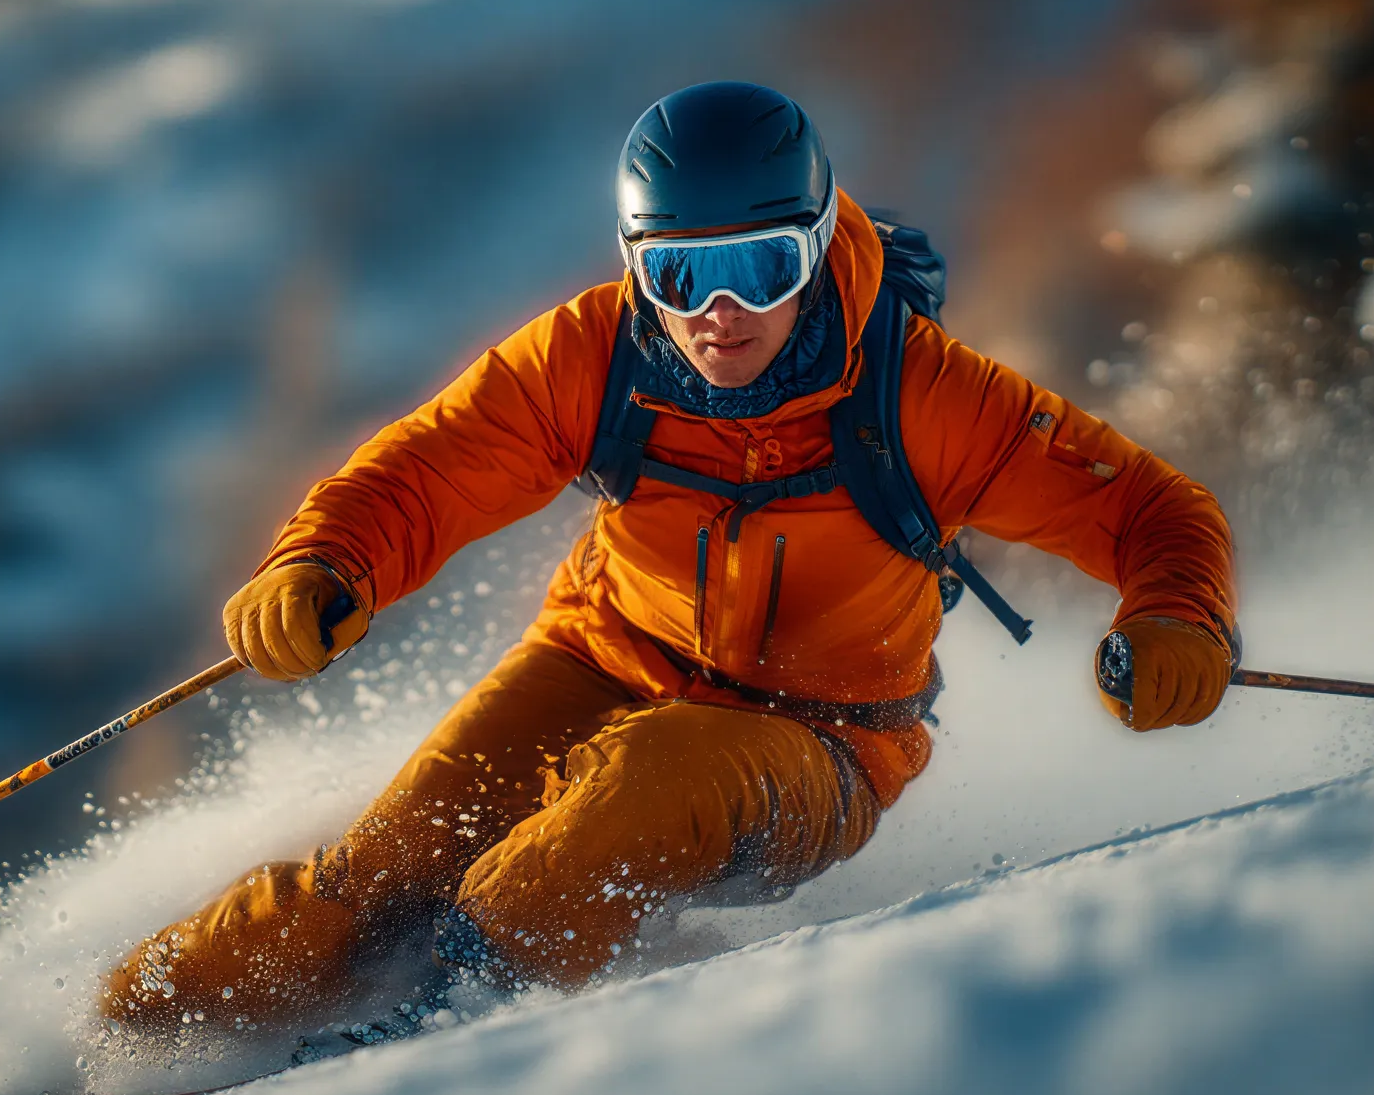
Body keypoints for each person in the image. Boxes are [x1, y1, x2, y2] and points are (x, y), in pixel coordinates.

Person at [103, 82, 1236, 1035]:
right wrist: (327, 560)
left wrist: (1178, 617)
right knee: (378, 877)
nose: (722, 312)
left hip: (820, 739)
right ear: (638, 265)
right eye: (682, 275)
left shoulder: (924, 394)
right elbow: (432, 467)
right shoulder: (594, 356)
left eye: (763, 265)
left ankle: (448, 1036)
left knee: (626, 799)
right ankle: (126, 1031)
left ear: (819, 243)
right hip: (599, 662)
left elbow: (1149, 510)